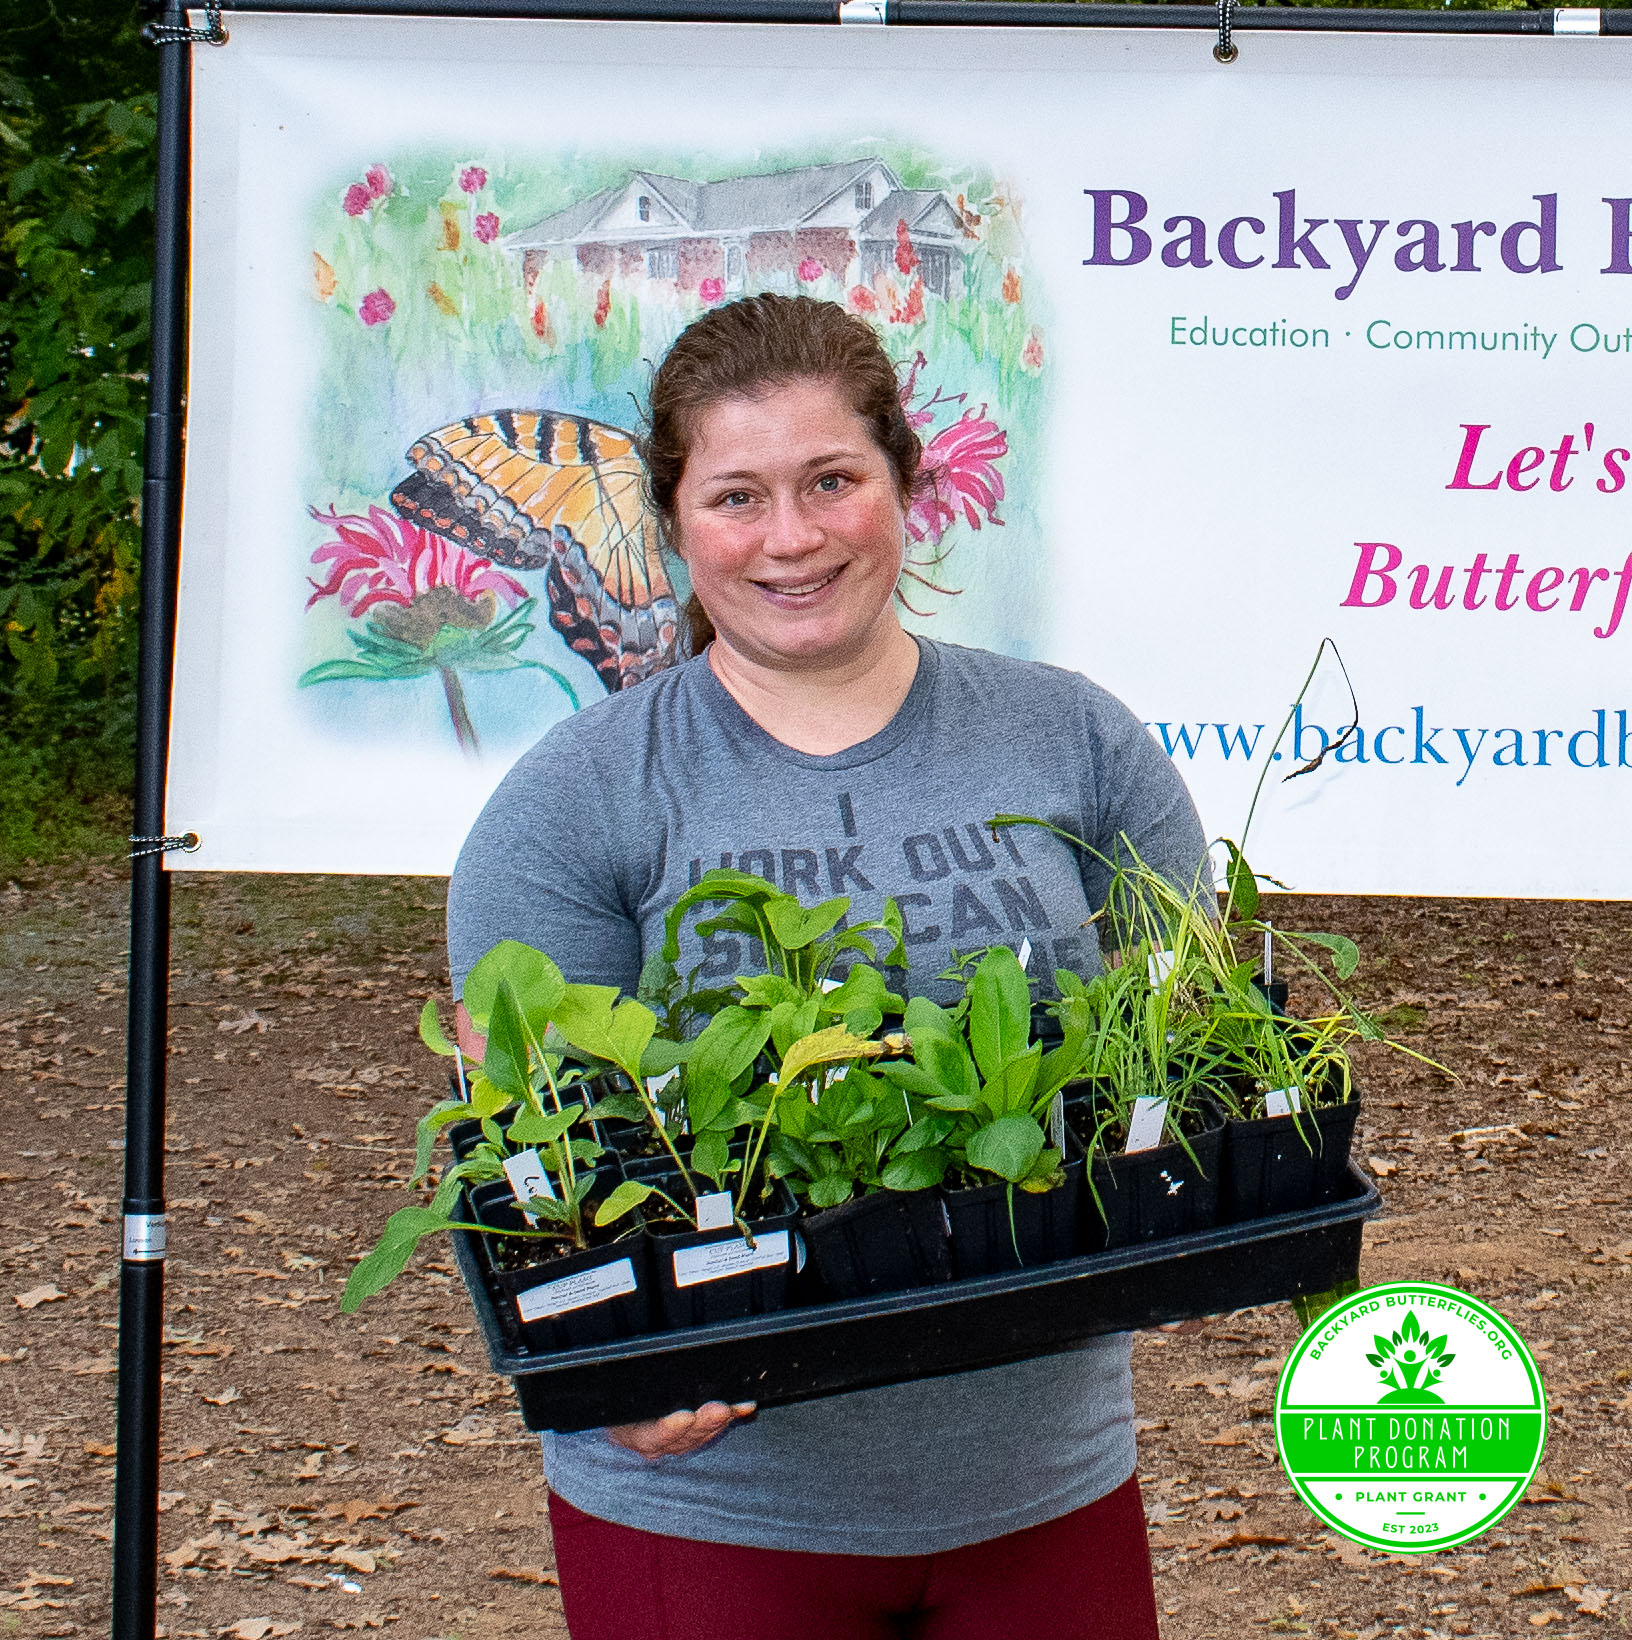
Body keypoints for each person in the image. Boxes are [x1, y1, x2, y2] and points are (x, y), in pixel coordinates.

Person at [448, 293, 1206, 1639]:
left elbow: (1184, 1046)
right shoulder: (577, 799)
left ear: (905, 484)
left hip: (1046, 1477)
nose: (790, 537)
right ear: (673, 523)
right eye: (736, 497)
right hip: (714, 1503)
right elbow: (528, 1142)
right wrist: (590, 1361)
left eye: (831, 481)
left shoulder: (1073, 740)